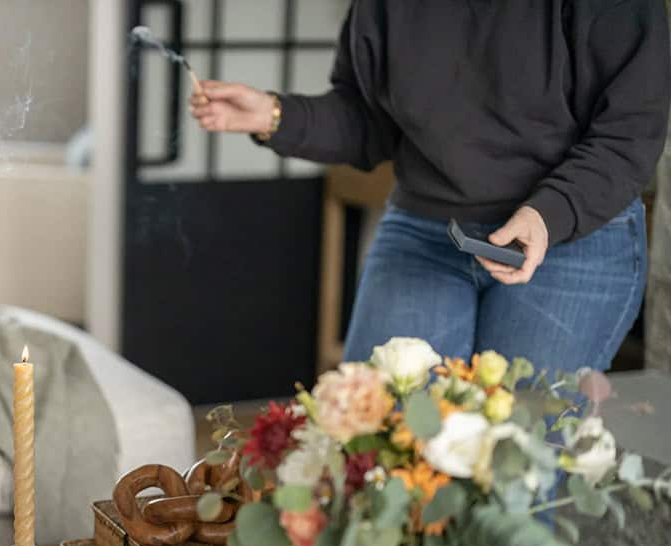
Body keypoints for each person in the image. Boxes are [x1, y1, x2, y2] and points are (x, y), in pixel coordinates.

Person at [191, 0, 671, 373]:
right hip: (426, 230)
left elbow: (629, 131)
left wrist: (550, 213)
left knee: (516, 465)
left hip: (570, 238)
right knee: (378, 452)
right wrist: (274, 115)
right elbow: (367, 120)